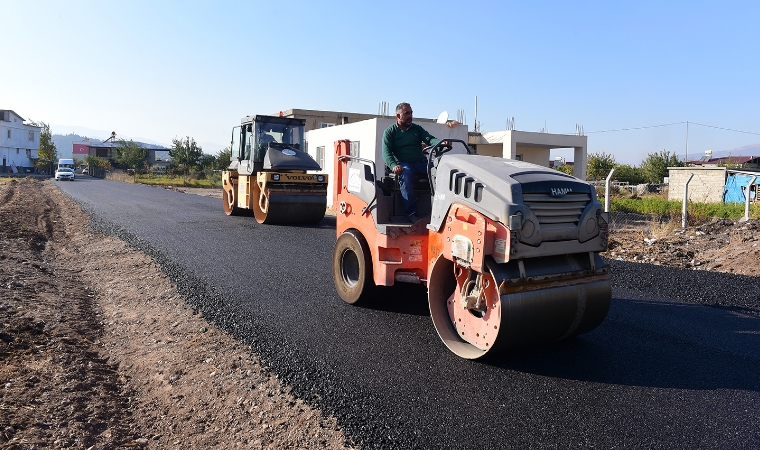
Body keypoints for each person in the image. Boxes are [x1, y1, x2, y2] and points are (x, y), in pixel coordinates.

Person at [382, 102, 449, 223]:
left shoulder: (417, 129)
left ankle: (441, 209)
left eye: (411, 113)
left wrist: (440, 143)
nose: (410, 116)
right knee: (405, 174)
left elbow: (429, 139)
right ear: (398, 116)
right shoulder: (390, 132)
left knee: (442, 170)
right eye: (407, 113)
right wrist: (393, 166)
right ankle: (412, 213)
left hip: (421, 163)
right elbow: (386, 153)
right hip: (404, 164)